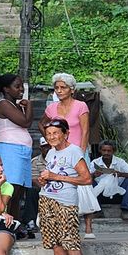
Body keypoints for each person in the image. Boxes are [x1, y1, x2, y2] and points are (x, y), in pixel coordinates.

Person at [36, 118, 92, 255]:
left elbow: (87, 179)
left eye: (55, 133)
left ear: (66, 133)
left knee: (71, 243)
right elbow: (52, 175)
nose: (51, 137)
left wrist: (56, 176)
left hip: (65, 203)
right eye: (48, 134)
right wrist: (44, 179)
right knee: (56, 244)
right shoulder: (51, 152)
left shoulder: (74, 151)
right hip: (47, 199)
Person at [39, 74, 92, 235]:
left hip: (77, 150)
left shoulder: (80, 106)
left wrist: (81, 151)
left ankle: (89, 227)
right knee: (60, 184)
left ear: (72, 89)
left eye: (63, 87)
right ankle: (61, 222)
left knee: (84, 187)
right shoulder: (52, 108)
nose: (60, 90)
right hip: (59, 152)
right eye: (57, 88)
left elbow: (85, 130)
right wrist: (51, 140)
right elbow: (42, 124)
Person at [0, 73, 34, 223]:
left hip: (20, 151)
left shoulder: (15, 105)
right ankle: (4, 221)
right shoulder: (3, 104)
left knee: (19, 190)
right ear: (6, 89)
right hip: (10, 150)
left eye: (22, 86)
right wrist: (30, 106)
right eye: (17, 86)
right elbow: (25, 122)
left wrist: (25, 107)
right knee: (10, 189)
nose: (21, 89)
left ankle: (15, 223)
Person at [91, 141, 128, 221]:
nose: (106, 153)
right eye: (104, 150)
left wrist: (121, 174)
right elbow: (84, 178)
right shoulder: (95, 162)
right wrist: (94, 175)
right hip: (100, 196)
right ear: (100, 151)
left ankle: (125, 210)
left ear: (113, 151)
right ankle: (97, 211)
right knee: (89, 181)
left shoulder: (120, 162)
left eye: (109, 151)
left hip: (118, 195)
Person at [23, 139, 50, 233]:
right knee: (31, 191)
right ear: (41, 148)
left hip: (58, 188)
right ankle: (30, 221)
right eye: (45, 147)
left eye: (49, 147)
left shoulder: (59, 159)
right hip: (42, 187)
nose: (48, 149)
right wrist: (45, 189)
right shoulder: (35, 161)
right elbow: (34, 179)